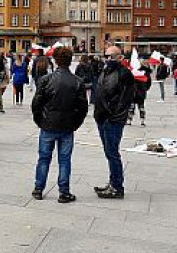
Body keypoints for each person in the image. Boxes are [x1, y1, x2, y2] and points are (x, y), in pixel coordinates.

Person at [31, 46, 88, 202]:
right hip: (67, 125)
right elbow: (82, 107)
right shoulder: (77, 81)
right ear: (70, 61)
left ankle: (38, 188)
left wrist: (40, 120)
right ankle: (64, 191)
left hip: (48, 124)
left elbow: (36, 104)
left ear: (55, 61)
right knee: (64, 159)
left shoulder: (46, 80)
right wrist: (75, 123)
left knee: (44, 158)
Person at [92, 46, 135, 199]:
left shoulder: (124, 74)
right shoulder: (105, 71)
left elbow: (125, 100)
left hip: (113, 120)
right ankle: (113, 182)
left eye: (111, 56)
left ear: (119, 57)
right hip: (102, 117)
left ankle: (117, 187)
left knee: (112, 153)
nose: (108, 59)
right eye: (107, 56)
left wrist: (114, 116)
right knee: (109, 152)